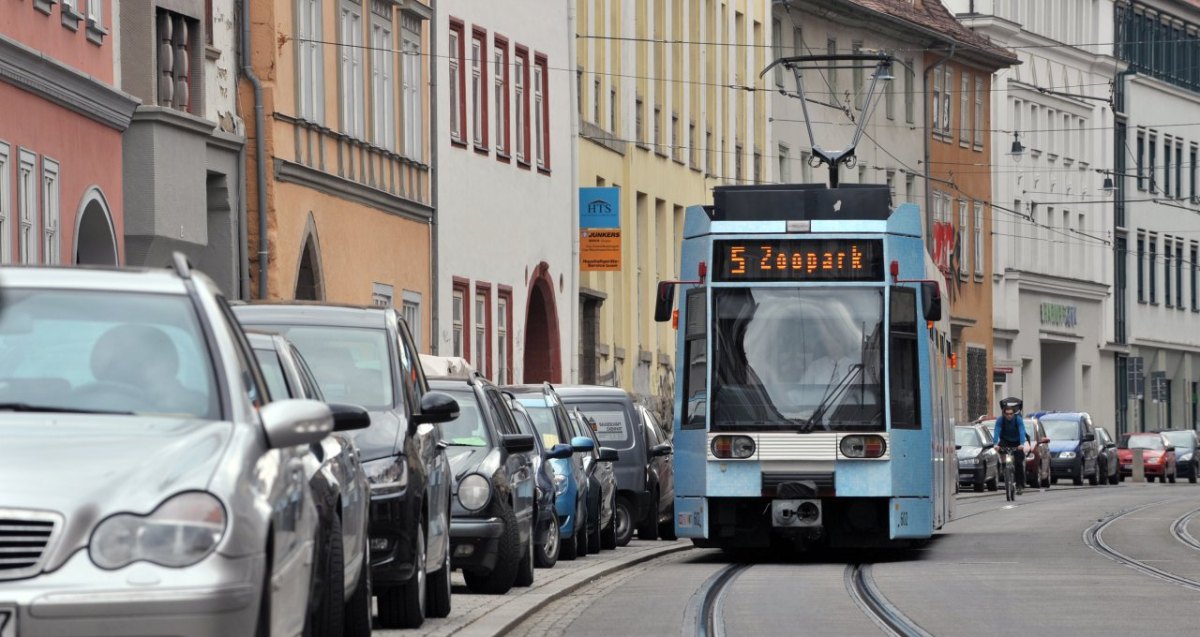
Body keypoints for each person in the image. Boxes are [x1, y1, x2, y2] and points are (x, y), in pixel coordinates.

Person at [993, 399, 1031, 495]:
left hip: (1017, 442)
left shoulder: (1018, 419)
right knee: (1001, 451)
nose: (1009, 416)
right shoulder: (1000, 420)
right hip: (1005, 441)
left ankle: (1019, 485)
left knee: (1018, 463)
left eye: (1011, 414)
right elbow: (997, 431)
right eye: (1007, 414)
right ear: (1004, 414)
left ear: (1014, 414)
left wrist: (1022, 444)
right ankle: (1004, 467)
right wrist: (995, 444)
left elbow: (1022, 430)